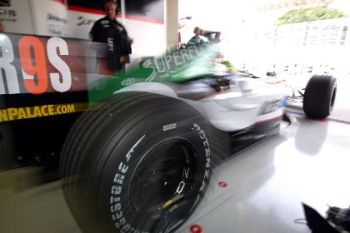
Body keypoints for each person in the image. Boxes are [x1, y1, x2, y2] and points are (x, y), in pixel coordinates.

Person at [90, 0, 132, 72]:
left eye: (112, 9)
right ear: (105, 10)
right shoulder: (99, 24)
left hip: (119, 63)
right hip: (104, 63)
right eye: (107, 9)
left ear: (116, 11)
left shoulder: (121, 27)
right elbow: (94, 42)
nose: (109, 11)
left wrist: (124, 64)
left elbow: (126, 49)